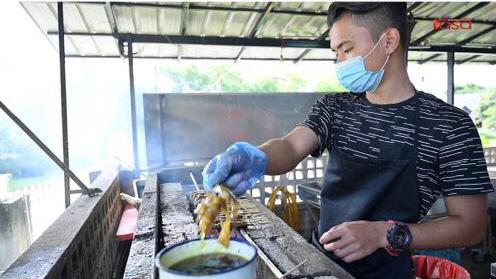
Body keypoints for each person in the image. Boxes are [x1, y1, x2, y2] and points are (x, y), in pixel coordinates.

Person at [201, 3, 494, 278]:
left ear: (389, 41)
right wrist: (256, 156)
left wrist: (383, 234)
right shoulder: (335, 108)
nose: (339, 62)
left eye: (347, 49)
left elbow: (470, 226)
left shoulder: (448, 125)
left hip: (388, 272)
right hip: (319, 262)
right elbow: (290, 147)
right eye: (335, 53)